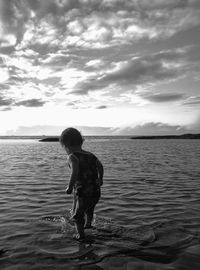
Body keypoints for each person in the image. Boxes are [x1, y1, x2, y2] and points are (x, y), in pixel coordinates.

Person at [60, 127, 104, 240]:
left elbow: (75, 171)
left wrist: (69, 187)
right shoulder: (90, 155)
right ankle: (88, 225)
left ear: (66, 144)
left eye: (64, 147)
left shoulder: (72, 156)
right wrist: (101, 179)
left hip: (83, 191)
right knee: (90, 209)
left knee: (78, 215)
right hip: (96, 190)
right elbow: (100, 166)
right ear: (81, 141)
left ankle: (81, 235)